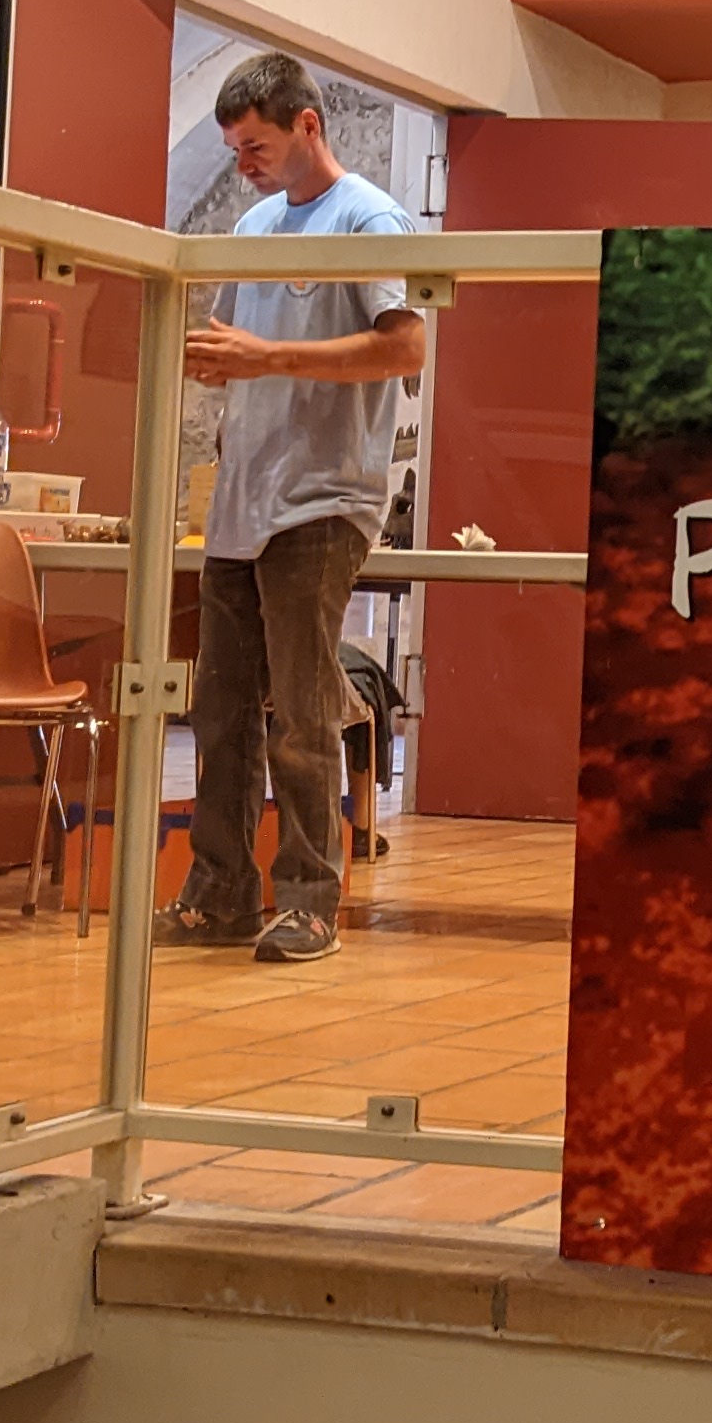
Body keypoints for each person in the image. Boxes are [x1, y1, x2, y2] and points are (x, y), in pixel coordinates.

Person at [161, 53, 423, 962]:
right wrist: (219, 367)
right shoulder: (254, 224)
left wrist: (268, 358)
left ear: (308, 125)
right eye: (233, 150)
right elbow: (239, 350)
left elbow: (404, 350)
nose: (243, 165)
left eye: (255, 147)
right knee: (221, 708)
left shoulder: (370, 217)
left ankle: (311, 897)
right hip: (243, 498)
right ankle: (220, 889)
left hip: (324, 495)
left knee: (304, 708)